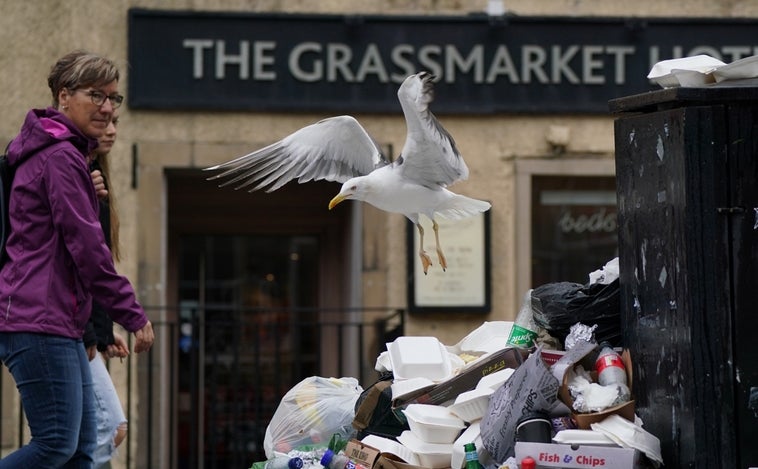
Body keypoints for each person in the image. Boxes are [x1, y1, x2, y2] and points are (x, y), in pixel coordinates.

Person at [0, 50, 154, 467]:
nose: (107, 107)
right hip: (38, 319)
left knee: (85, 448)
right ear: (63, 96)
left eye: (114, 98)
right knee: (54, 445)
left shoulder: (65, 155)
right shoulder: (59, 156)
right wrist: (131, 313)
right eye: (96, 95)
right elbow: (88, 250)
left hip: (57, 322)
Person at [83, 111, 131, 467]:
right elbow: (85, 268)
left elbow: (97, 270)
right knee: (108, 429)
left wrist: (102, 333)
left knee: (98, 433)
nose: (112, 131)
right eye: (105, 122)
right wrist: (91, 334)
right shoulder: (82, 181)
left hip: (82, 330)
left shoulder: (97, 182)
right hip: (70, 329)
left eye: (116, 122)